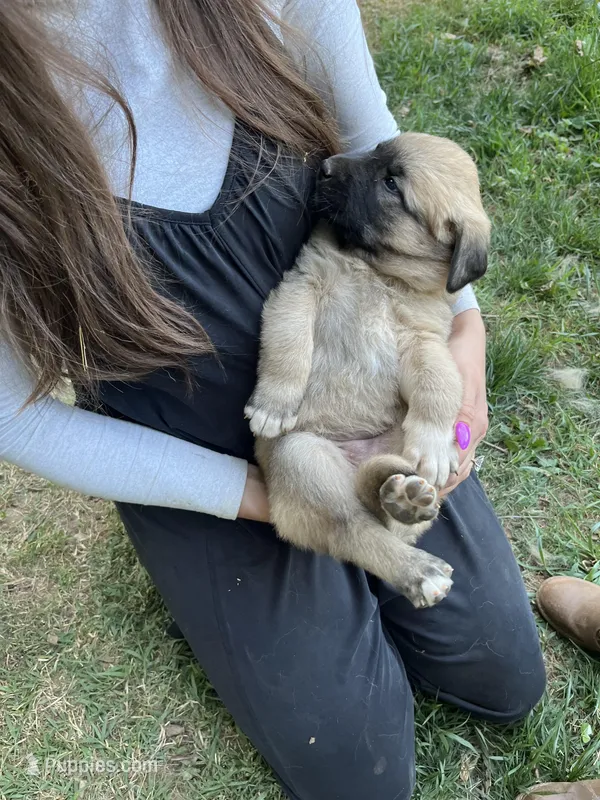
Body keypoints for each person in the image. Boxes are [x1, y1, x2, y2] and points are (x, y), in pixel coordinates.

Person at [0, 2, 545, 798]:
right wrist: (256, 496)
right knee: (362, 777)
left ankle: (380, 500)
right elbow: (14, 413)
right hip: (202, 451)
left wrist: (464, 338)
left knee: (505, 676)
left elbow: (377, 151)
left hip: (368, 394)